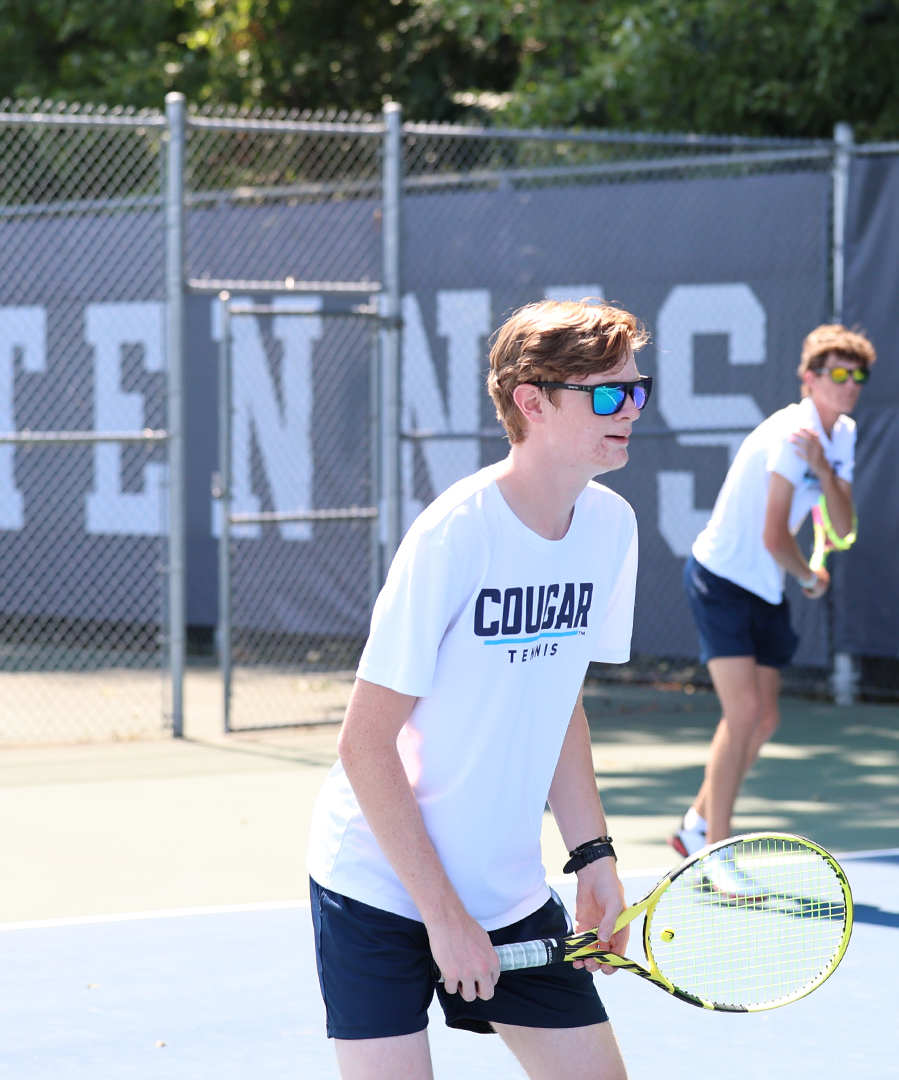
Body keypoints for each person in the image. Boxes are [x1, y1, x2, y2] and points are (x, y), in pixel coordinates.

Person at [306, 299, 649, 1080]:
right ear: (533, 400)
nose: (629, 410)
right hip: (380, 887)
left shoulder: (610, 529)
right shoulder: (455, 534)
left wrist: (593, 856)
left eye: (636, 390)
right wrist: (441, 915)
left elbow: (558, 700)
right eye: (607, 394)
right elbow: (363, 743)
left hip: (506, 889)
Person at [672, 325, 873, 862]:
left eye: (857, 376)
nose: (848, 384)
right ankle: (714, 854)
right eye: (837, 374)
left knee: (765, 719)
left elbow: (843, 524)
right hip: (720, 579)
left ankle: (695, 823)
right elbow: (773, 534)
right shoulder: (790, 434)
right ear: (810, 379)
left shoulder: (842, 434)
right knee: (742, 715)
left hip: (764, 585)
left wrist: (826, 469)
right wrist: (807, 576)